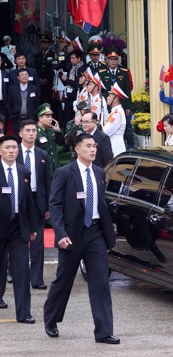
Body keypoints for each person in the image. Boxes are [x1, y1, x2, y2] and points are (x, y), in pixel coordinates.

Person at [43, 133, 119, 343]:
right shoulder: (64, 172)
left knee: (101, 283)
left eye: (94, 146)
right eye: (88, 146)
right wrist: (60, 233)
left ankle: (104, 332)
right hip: (72, 235)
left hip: (95, 233)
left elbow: (101, 203)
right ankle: (51, 319)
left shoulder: (98, 172)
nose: (93, 150)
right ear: (77, 149)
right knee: (63, 281)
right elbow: (55, 205)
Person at [0, 134, 37, 323]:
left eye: (14, 148)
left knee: (22, 271)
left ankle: (24, 313)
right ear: (0, 151)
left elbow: (28, 202)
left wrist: (31, 226)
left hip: (18, 227)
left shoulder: (24, 172)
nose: (12, 151)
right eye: (7, 148)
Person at [18, 120, 51, 289]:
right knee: (18, 240)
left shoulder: (42, 155)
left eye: (33, 130)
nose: (31, 133)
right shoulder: (13, 152)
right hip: (19, 200)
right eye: (28, 130)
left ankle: (37, 279)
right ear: (20, 133)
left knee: (38, 243)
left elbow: (47, 182)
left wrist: (47, 207)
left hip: (37, 200)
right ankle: (15, 273)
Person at [7, 68, 40, 135]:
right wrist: (11, 115)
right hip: (16, 118)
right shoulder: (12, 88)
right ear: (18, 78)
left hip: (31, 117)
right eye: (22, 75)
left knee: (30, 136)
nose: (24, 76)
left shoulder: (35, 88)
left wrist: (36, 117)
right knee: (17, 136)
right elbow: (8, 103)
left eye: (26, 74)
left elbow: (38, 103)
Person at [36, 104, 64, 177]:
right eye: (47, 116)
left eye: (51, 116)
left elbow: (62, 143)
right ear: (40, 118)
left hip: (55, 167)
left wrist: (58, 132)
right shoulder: (34, 132)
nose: (50, 119)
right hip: (42, 168)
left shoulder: (51, 130)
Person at [103, 82, 127, 157]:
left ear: (115, 99)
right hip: (112, 145)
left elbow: (105, 131)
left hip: (115, 147)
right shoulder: (114, 112)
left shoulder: (117, 114)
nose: (107, 97)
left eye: (110, 96)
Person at [33, 34, 56, 104]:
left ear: (48, 44)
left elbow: (54, 69)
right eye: (41, 43)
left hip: (49, 82)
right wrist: (39, 79)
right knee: (40, 99)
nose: (43, 45)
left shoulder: (53, 54)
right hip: (39, 82)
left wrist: (47, 79)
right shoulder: (37, 55)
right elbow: (35, 68)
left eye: (45, 43)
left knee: (50, 100)